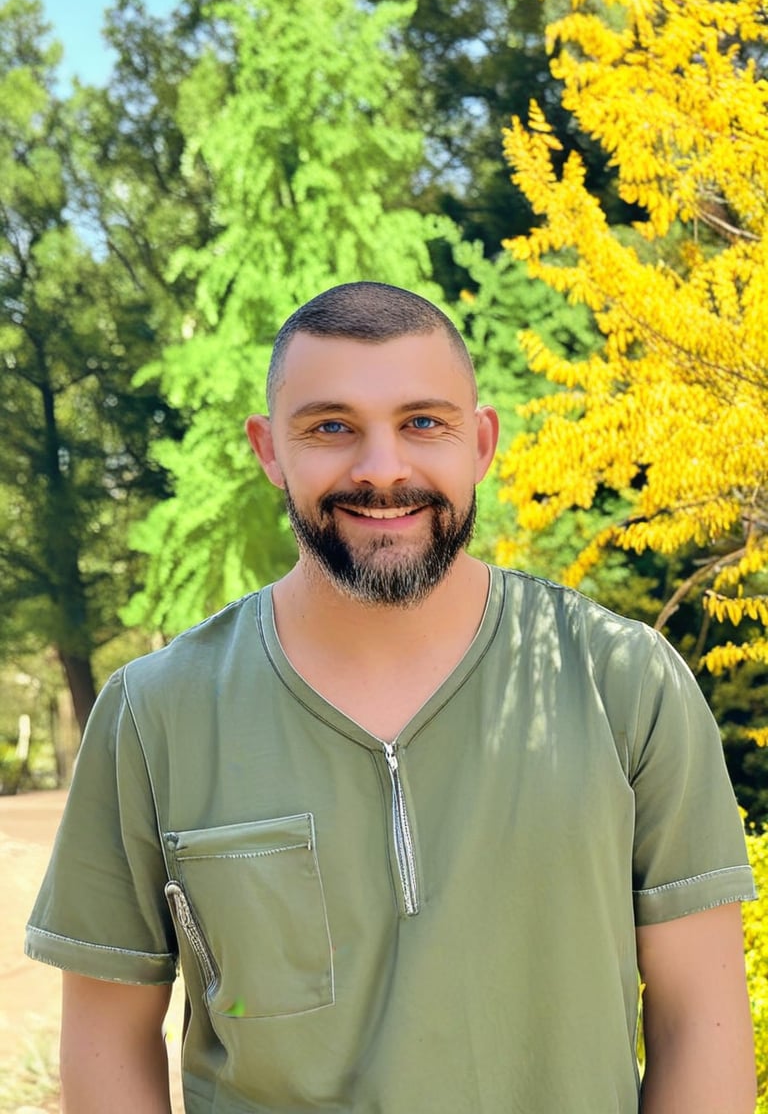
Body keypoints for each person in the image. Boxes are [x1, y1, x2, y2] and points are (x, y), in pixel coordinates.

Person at [27, 282, 757, 1114]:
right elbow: (107, 1040)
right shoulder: (153, 715)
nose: (382, 470)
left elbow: (700, 1022)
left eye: (422, 422)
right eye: (331, 427)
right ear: (270, 450)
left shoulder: (624, 682)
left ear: (480, 442)